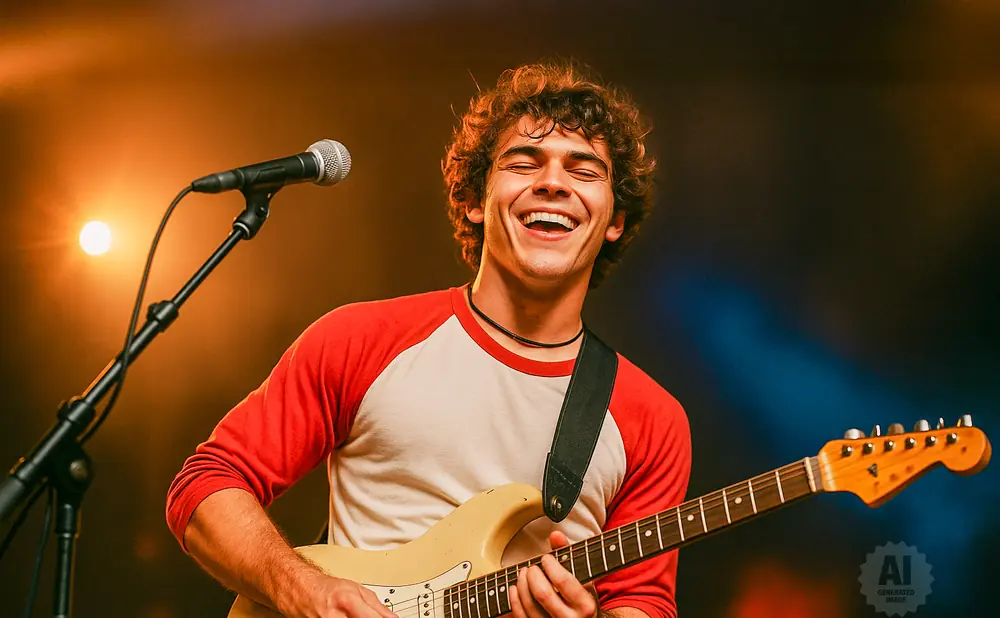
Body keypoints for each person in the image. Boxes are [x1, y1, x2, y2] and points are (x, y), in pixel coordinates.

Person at [166, 61, 692, 618]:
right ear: (474, 201)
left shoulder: (651, 418)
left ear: (614, 220)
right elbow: (206, 485)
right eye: (523, 162)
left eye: (583, 170)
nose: (553, 182)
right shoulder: (361, 339)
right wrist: (302, 587)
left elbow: (644, 604)